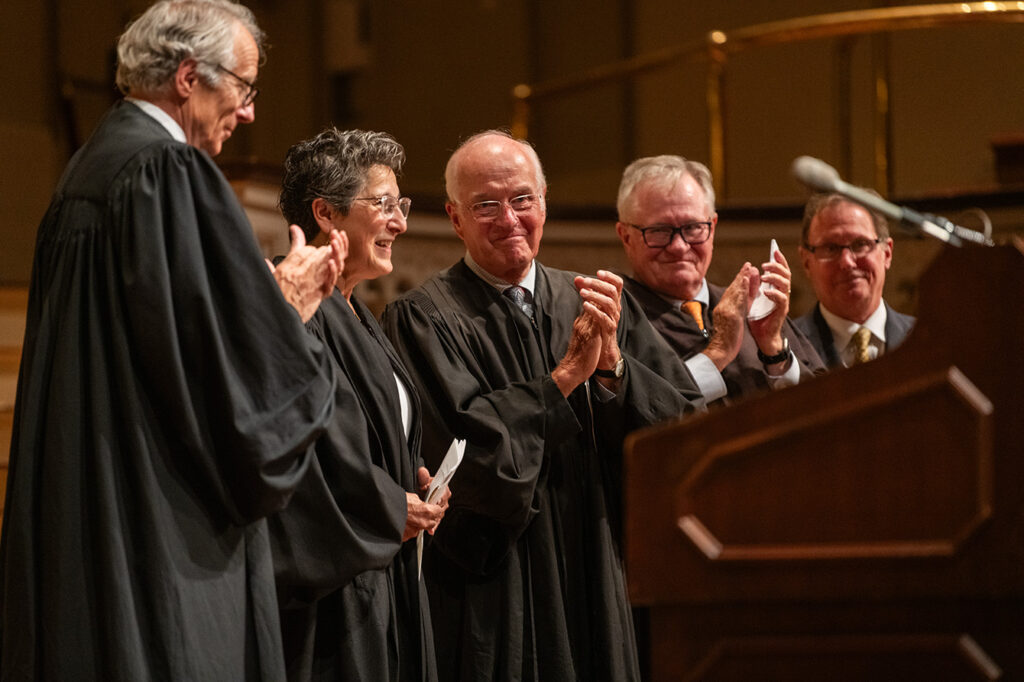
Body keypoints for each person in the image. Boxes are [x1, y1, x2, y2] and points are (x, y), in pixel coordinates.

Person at [0, 2, 346, 680]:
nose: (247, 112)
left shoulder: (83, 174)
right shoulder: (169, 174)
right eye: (243, 89)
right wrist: (291, 311)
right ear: (189, 77)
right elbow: (235, 391)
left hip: (88, 515)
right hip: (160, 529)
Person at [381, 130, 702, 681]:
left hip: (596, 569)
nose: (509, 218)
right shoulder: (422, 320)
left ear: (544, 204)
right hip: (496, 590)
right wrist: (563, 380)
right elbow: (466, 456)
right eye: (486, 205)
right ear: (456, 219)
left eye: (522, 199)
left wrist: (613, 372)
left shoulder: (595, 302)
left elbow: (681, 434)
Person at [270, 128, 447, 681]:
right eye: (384, 205)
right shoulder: (289, 304)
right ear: (325, 212)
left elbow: (368, 432)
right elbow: (302, 448)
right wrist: (391, 506)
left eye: (402, 205)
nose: (400, 222)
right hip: (331, 592)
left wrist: (409, 474)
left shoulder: (355, 312)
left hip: (381, 571)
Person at [615, 155, 824, 405]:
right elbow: (634, 414)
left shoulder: (753, 309)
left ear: (712, 227)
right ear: (625, 236)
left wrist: (774, 350)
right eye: (659, 230)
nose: (679, 246)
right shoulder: (614, 319)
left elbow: (823, 406)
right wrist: (718, 351)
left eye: (692, 227)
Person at [794, 192, 915, 368]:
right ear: (806, 262)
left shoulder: (929, 338)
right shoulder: (785, 350)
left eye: (860, 244)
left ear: (887, 253)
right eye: (830, 248)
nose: (847, 262)